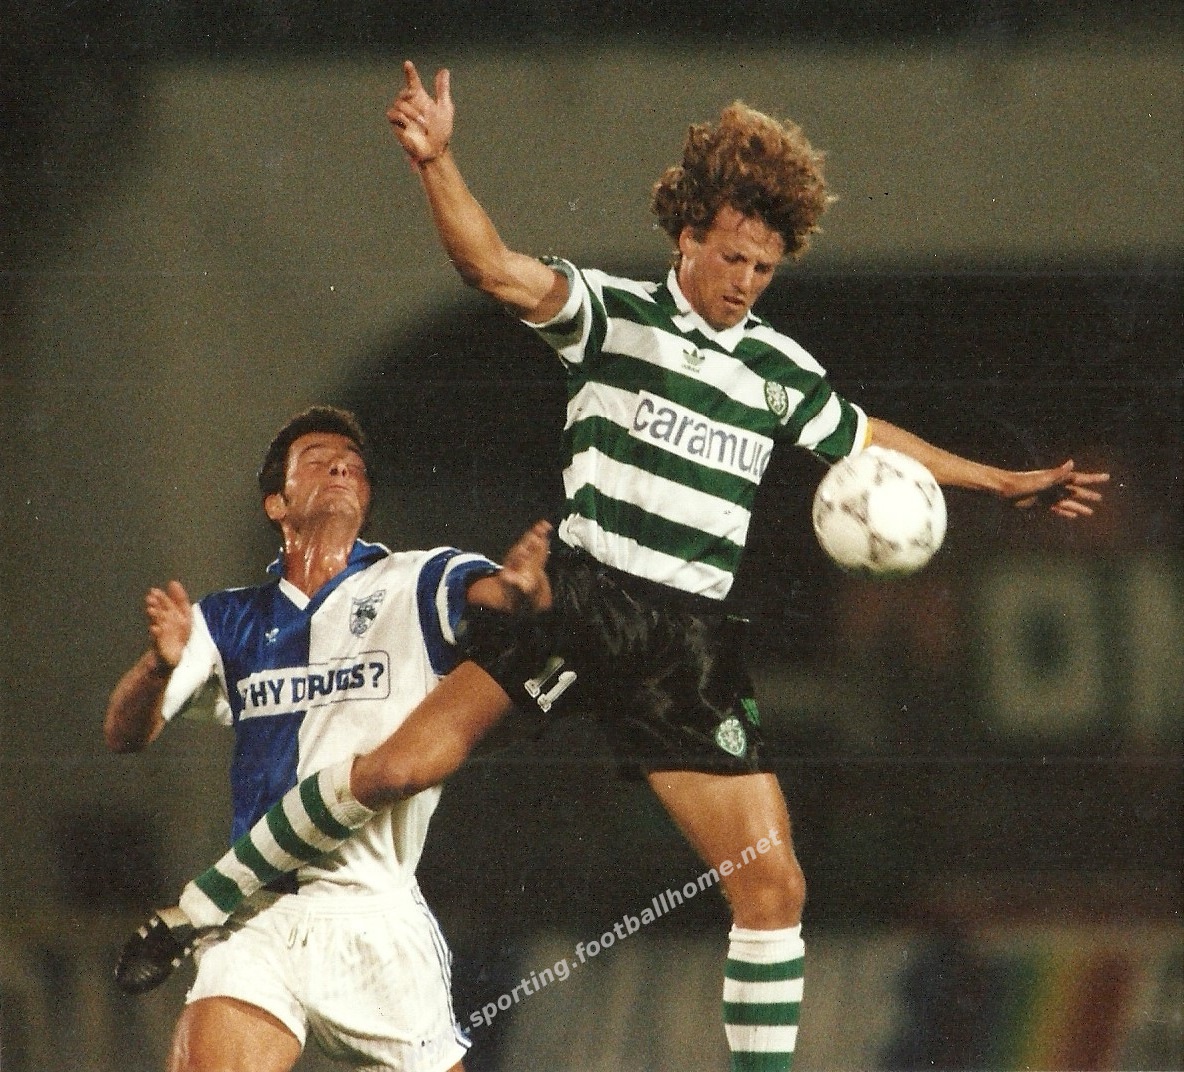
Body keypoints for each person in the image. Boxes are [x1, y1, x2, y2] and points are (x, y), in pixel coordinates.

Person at [120, 65, 1110, 1072]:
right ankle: (194, 909)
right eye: (732, 257)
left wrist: (997, 481)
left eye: (764, 269)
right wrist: (437, 162)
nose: (745, 281)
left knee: (772, 888)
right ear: (686, 237)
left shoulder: (776, 370)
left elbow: (864, 440)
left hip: (685, 645)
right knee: (395, 769)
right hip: (582, 601)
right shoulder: (610, 314)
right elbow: (491, 268)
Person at [106, 405, 553, 1072]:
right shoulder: (229, 619)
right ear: (277, 503)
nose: (342, 467)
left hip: (372, 912)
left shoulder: (414, 581)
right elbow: (124, 733)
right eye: (317, 460)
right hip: (259, 915)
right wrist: (159, 665)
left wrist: (521, 589)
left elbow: (497, 597)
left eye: (355, 465)